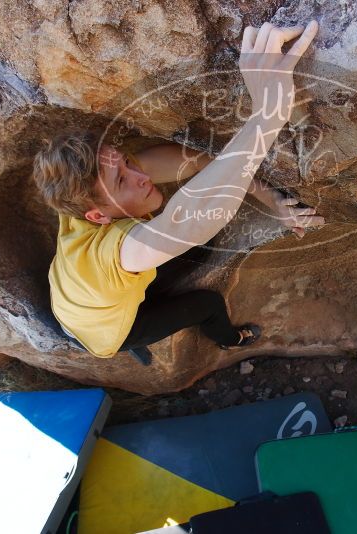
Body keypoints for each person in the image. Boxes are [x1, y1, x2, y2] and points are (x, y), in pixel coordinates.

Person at [31, 20, 324, 365]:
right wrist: (269, 114)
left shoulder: (80, 200)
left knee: (197, 252)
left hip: (77, 298)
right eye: (122, 181)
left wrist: (273, 199)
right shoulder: (117, 254)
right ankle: (231, 339)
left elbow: (199, 163)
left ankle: (136, 301)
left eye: (126, 161)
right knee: (207, 305)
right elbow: (189, 220)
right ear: (97, 216)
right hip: (103, 332)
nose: (139, 175)